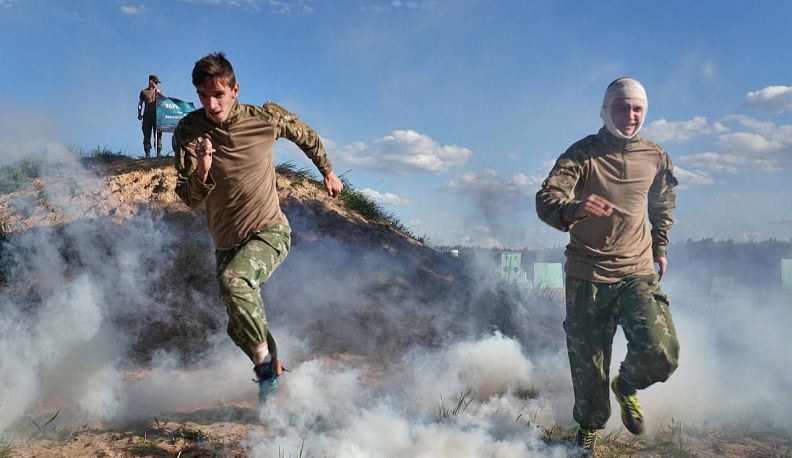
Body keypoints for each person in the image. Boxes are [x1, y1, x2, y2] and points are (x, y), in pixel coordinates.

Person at [172, 52, 343, 402]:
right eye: (203, 96)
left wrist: (327, 170)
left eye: (218, 94)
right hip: (226, 241)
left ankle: (266, 372)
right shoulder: (189, 131)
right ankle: (276, 371)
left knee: (234, 283)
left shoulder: (263, 118)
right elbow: (187, 197)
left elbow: (305, 135)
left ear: (235, 89)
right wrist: (203, 170)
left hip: (269, 230)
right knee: (238, 328)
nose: (212, 104)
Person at [535, 77, 680, 457]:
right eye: (622, 107)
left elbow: (662, 205)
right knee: (588, 366)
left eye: (637, 109)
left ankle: (627, 386)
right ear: (606, 109)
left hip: (636, 272)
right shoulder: (582, 154)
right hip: (586, 276)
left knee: (661, 351)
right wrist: (574, 209)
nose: (630, 116)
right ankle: (589, 428)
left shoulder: (655, 156)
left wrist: (660, 246)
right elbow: (546, 199)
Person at [138, 74, 164, 157]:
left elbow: (166, 102)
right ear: (151, 81)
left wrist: (160, 94)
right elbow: (140, 104)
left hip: (157, 115)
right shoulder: (144, 92)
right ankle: (147, 154)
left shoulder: (158, 92)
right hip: (147, 115)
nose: (157, 84)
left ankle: (158, 153)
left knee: (158, 134)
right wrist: (139, 113)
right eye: (155, 82)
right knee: (146, 134)